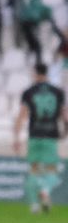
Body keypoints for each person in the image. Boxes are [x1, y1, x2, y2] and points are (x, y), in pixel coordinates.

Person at [15, 64, 65, 214]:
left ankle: (34, 205)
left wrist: (16, 137)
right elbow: (65, 115)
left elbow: (22, 115)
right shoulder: (58, 92)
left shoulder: (28, 92)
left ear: (35, 74)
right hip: (50, 136)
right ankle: (45, 189)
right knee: (51, 171)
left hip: (34, 135)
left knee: (34, 171)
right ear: (46, 73)